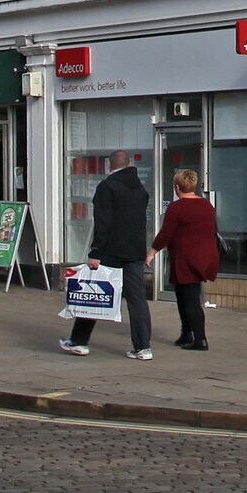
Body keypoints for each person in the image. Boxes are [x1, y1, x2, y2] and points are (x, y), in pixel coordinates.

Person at [59, 149, 153, 360]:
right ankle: (143, 347)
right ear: (129, 164)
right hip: (134, 251)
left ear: (109, 166)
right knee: (137, 300)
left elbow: (103, 222)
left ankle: (79, 341)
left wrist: (95, 251)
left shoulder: (107, 187)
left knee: (92, 292)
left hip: (110, 251)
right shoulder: (140, 189)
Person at [149, 169, 221, 351]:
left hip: (186, 259)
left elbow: (166, 233)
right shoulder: (207, 206)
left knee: (190, 300)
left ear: (177, 187)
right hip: (205, 257)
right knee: (183, 296)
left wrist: (152, 251)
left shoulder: (177, 207)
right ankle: (186, 333)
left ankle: (200, 339)